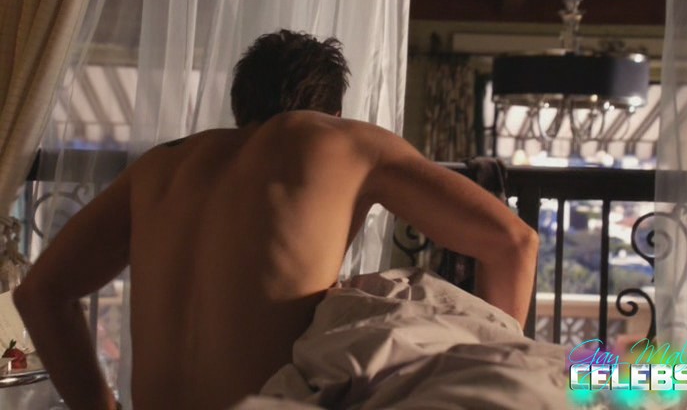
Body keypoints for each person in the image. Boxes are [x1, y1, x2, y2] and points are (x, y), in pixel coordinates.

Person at [13, 30, 538, 410]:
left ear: (240, 109)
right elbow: (514, 243)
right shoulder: (342, 142)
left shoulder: (159, 166)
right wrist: (496, 371)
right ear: (332, 113)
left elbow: (40, 293)